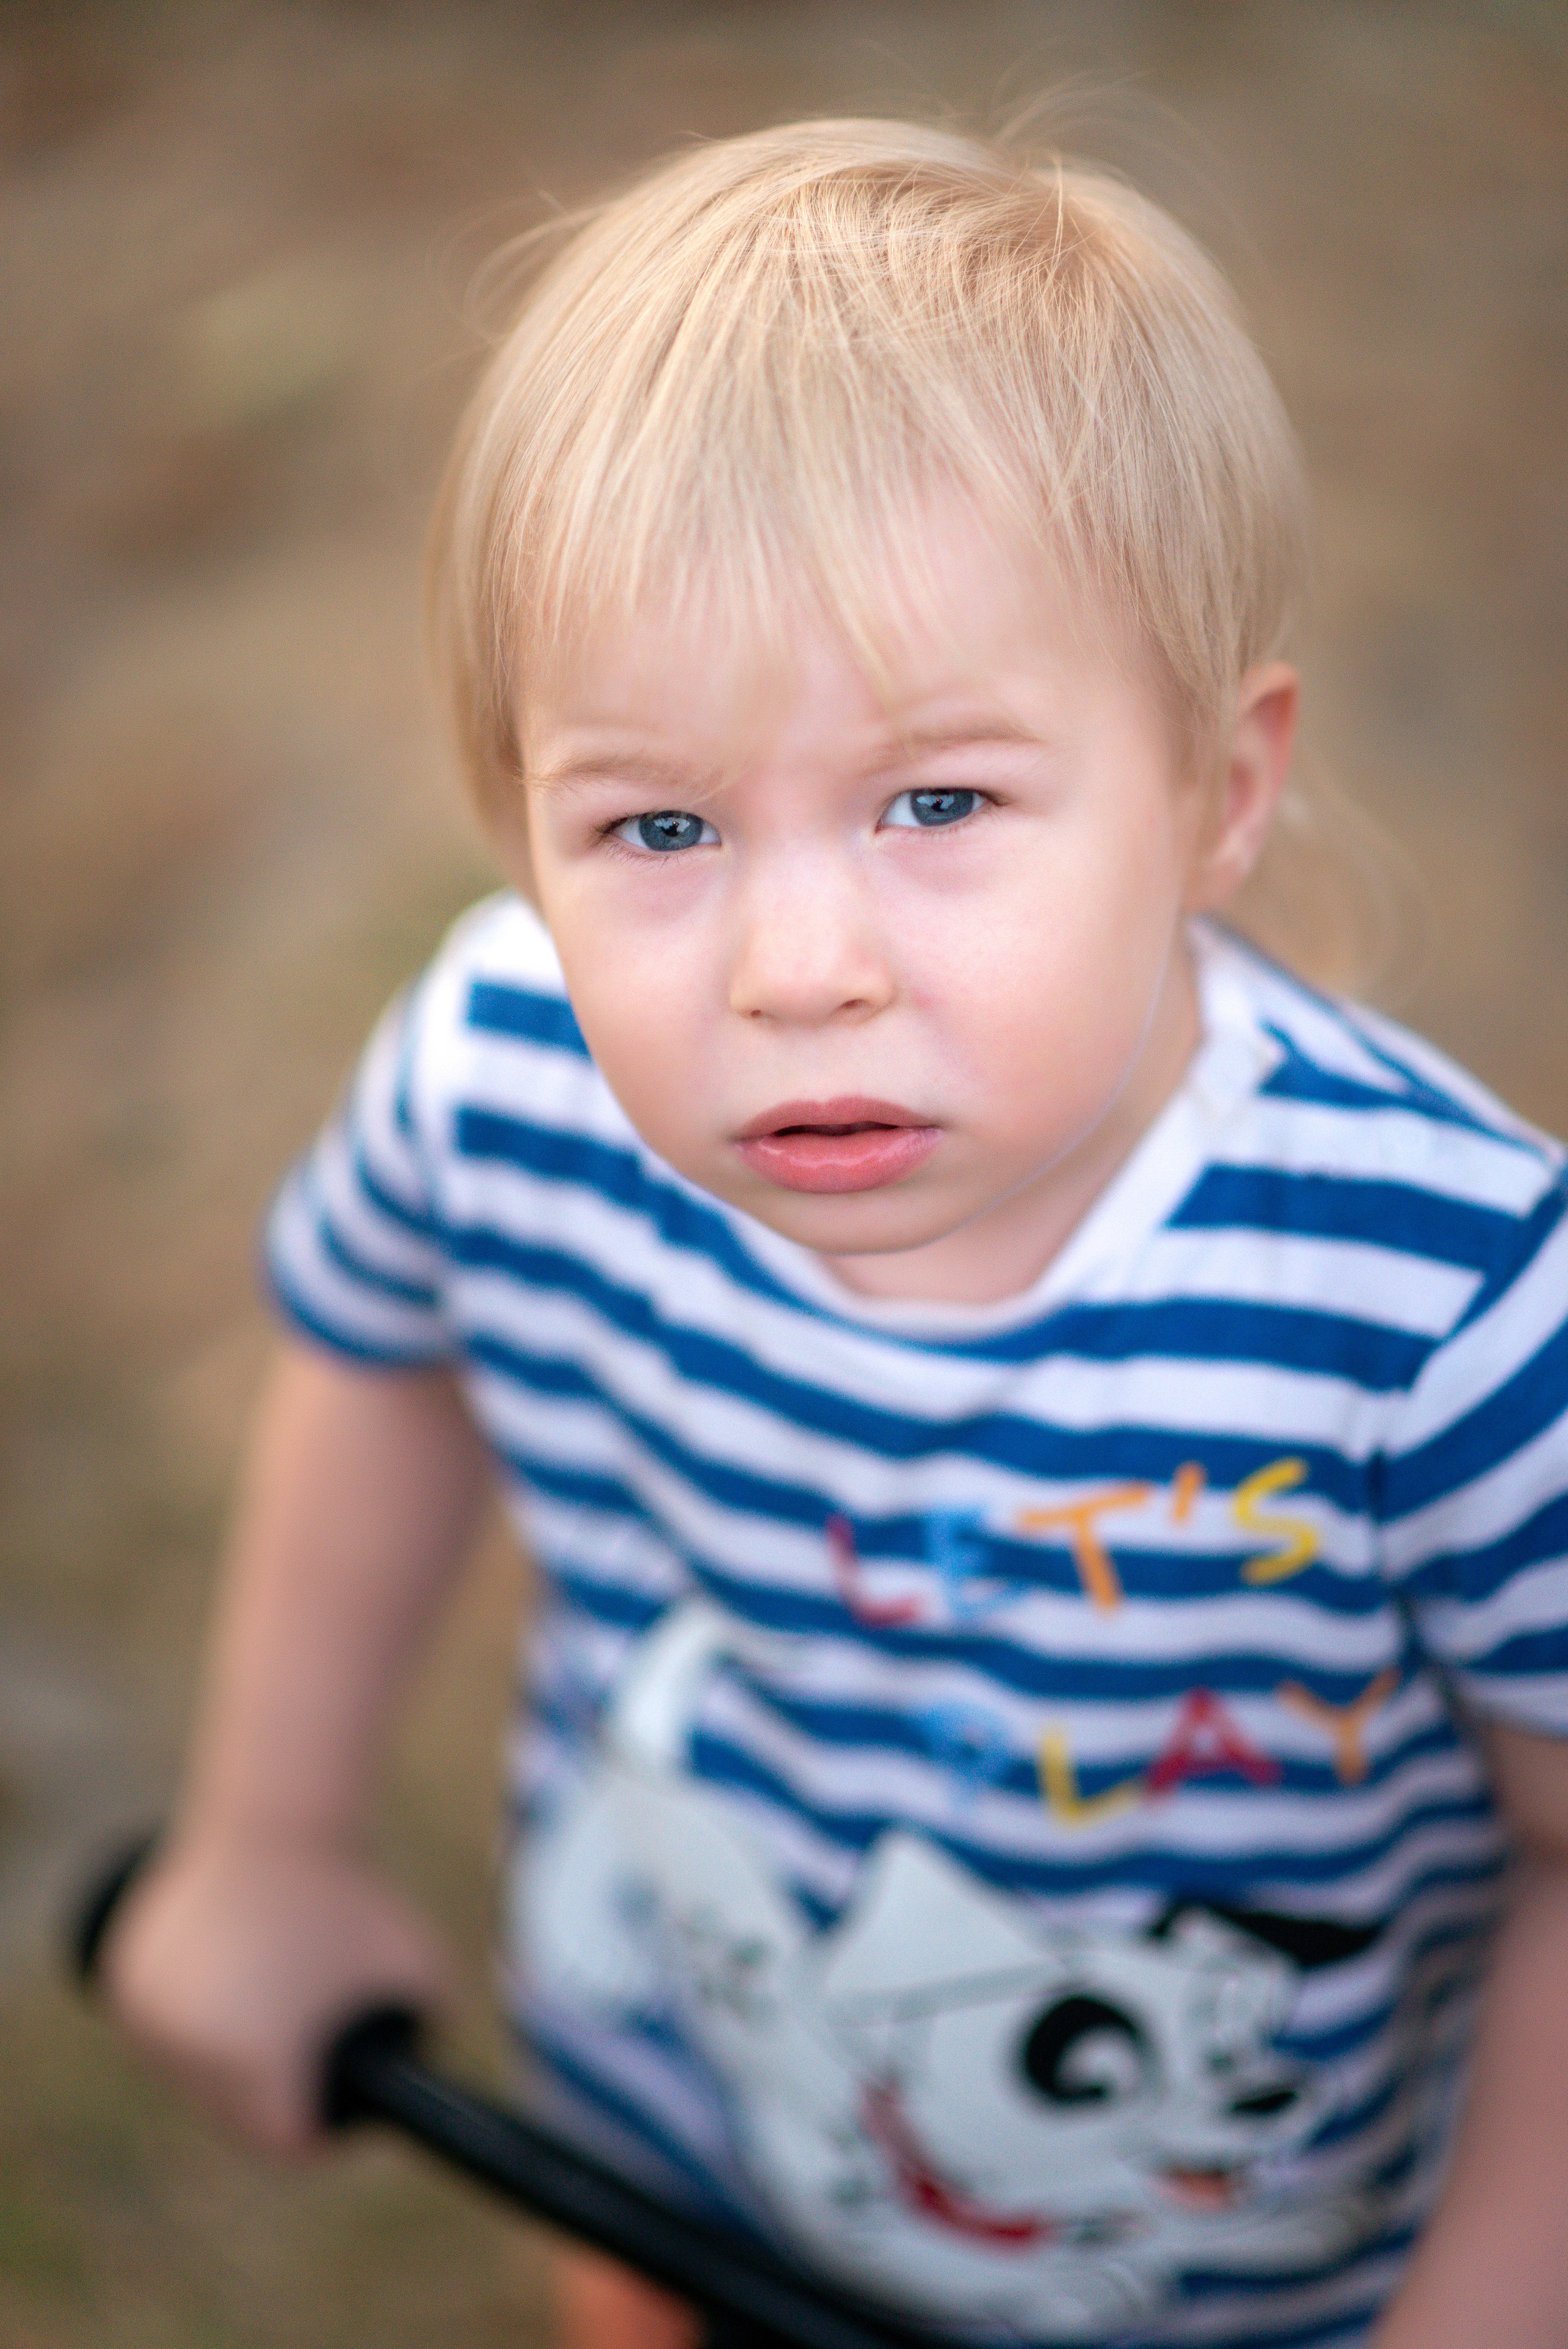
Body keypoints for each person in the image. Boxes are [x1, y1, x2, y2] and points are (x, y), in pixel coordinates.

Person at [102, 117, 1568, 2349]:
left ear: (1219, 788)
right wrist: (272, 1831)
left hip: (1230, 2276)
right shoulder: (506, 1071)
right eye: (658, 821)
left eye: (939, 801)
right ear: (522, 823)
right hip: (683, 2126)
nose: (798, 961)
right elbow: (389, 1349)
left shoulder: (1441, 1308)